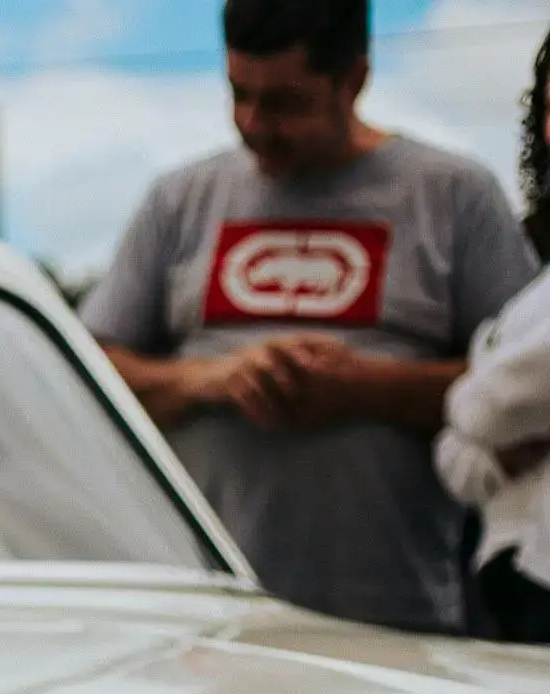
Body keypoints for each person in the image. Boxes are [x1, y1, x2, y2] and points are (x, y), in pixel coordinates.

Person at [82, 0, 536, 633]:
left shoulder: (454, 195)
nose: (254, 123)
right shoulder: (179, 199)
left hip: (396, 619)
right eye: (239, 94)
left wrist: (362, 389)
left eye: (286, 104)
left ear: (354, 79)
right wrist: (212, 379)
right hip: (200, 618)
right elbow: (83, 377)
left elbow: (525, 396)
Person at [433, 29, 550, 643]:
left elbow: (499, 402)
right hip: (517, 583)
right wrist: (479, 437)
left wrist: (469, 401)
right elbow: (459, 459)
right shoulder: (536, 289)